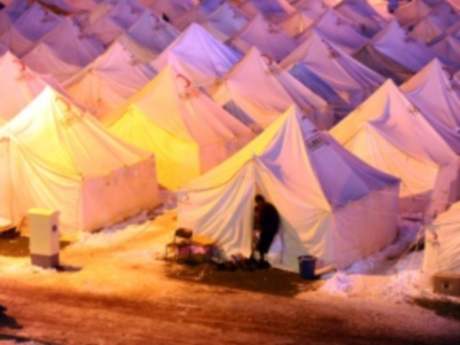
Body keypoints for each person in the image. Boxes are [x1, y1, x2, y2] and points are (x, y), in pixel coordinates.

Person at [251, 194, 280, 268]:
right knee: (264, 245)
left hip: (268, 229)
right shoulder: (268, 206)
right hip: (270, 229)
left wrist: (259, 228)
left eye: (257, 202)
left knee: (263, 245)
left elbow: (262, 219)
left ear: (259, 200)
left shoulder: (265, 207)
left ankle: (262, 261)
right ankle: (262, 260)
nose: (257, 204)